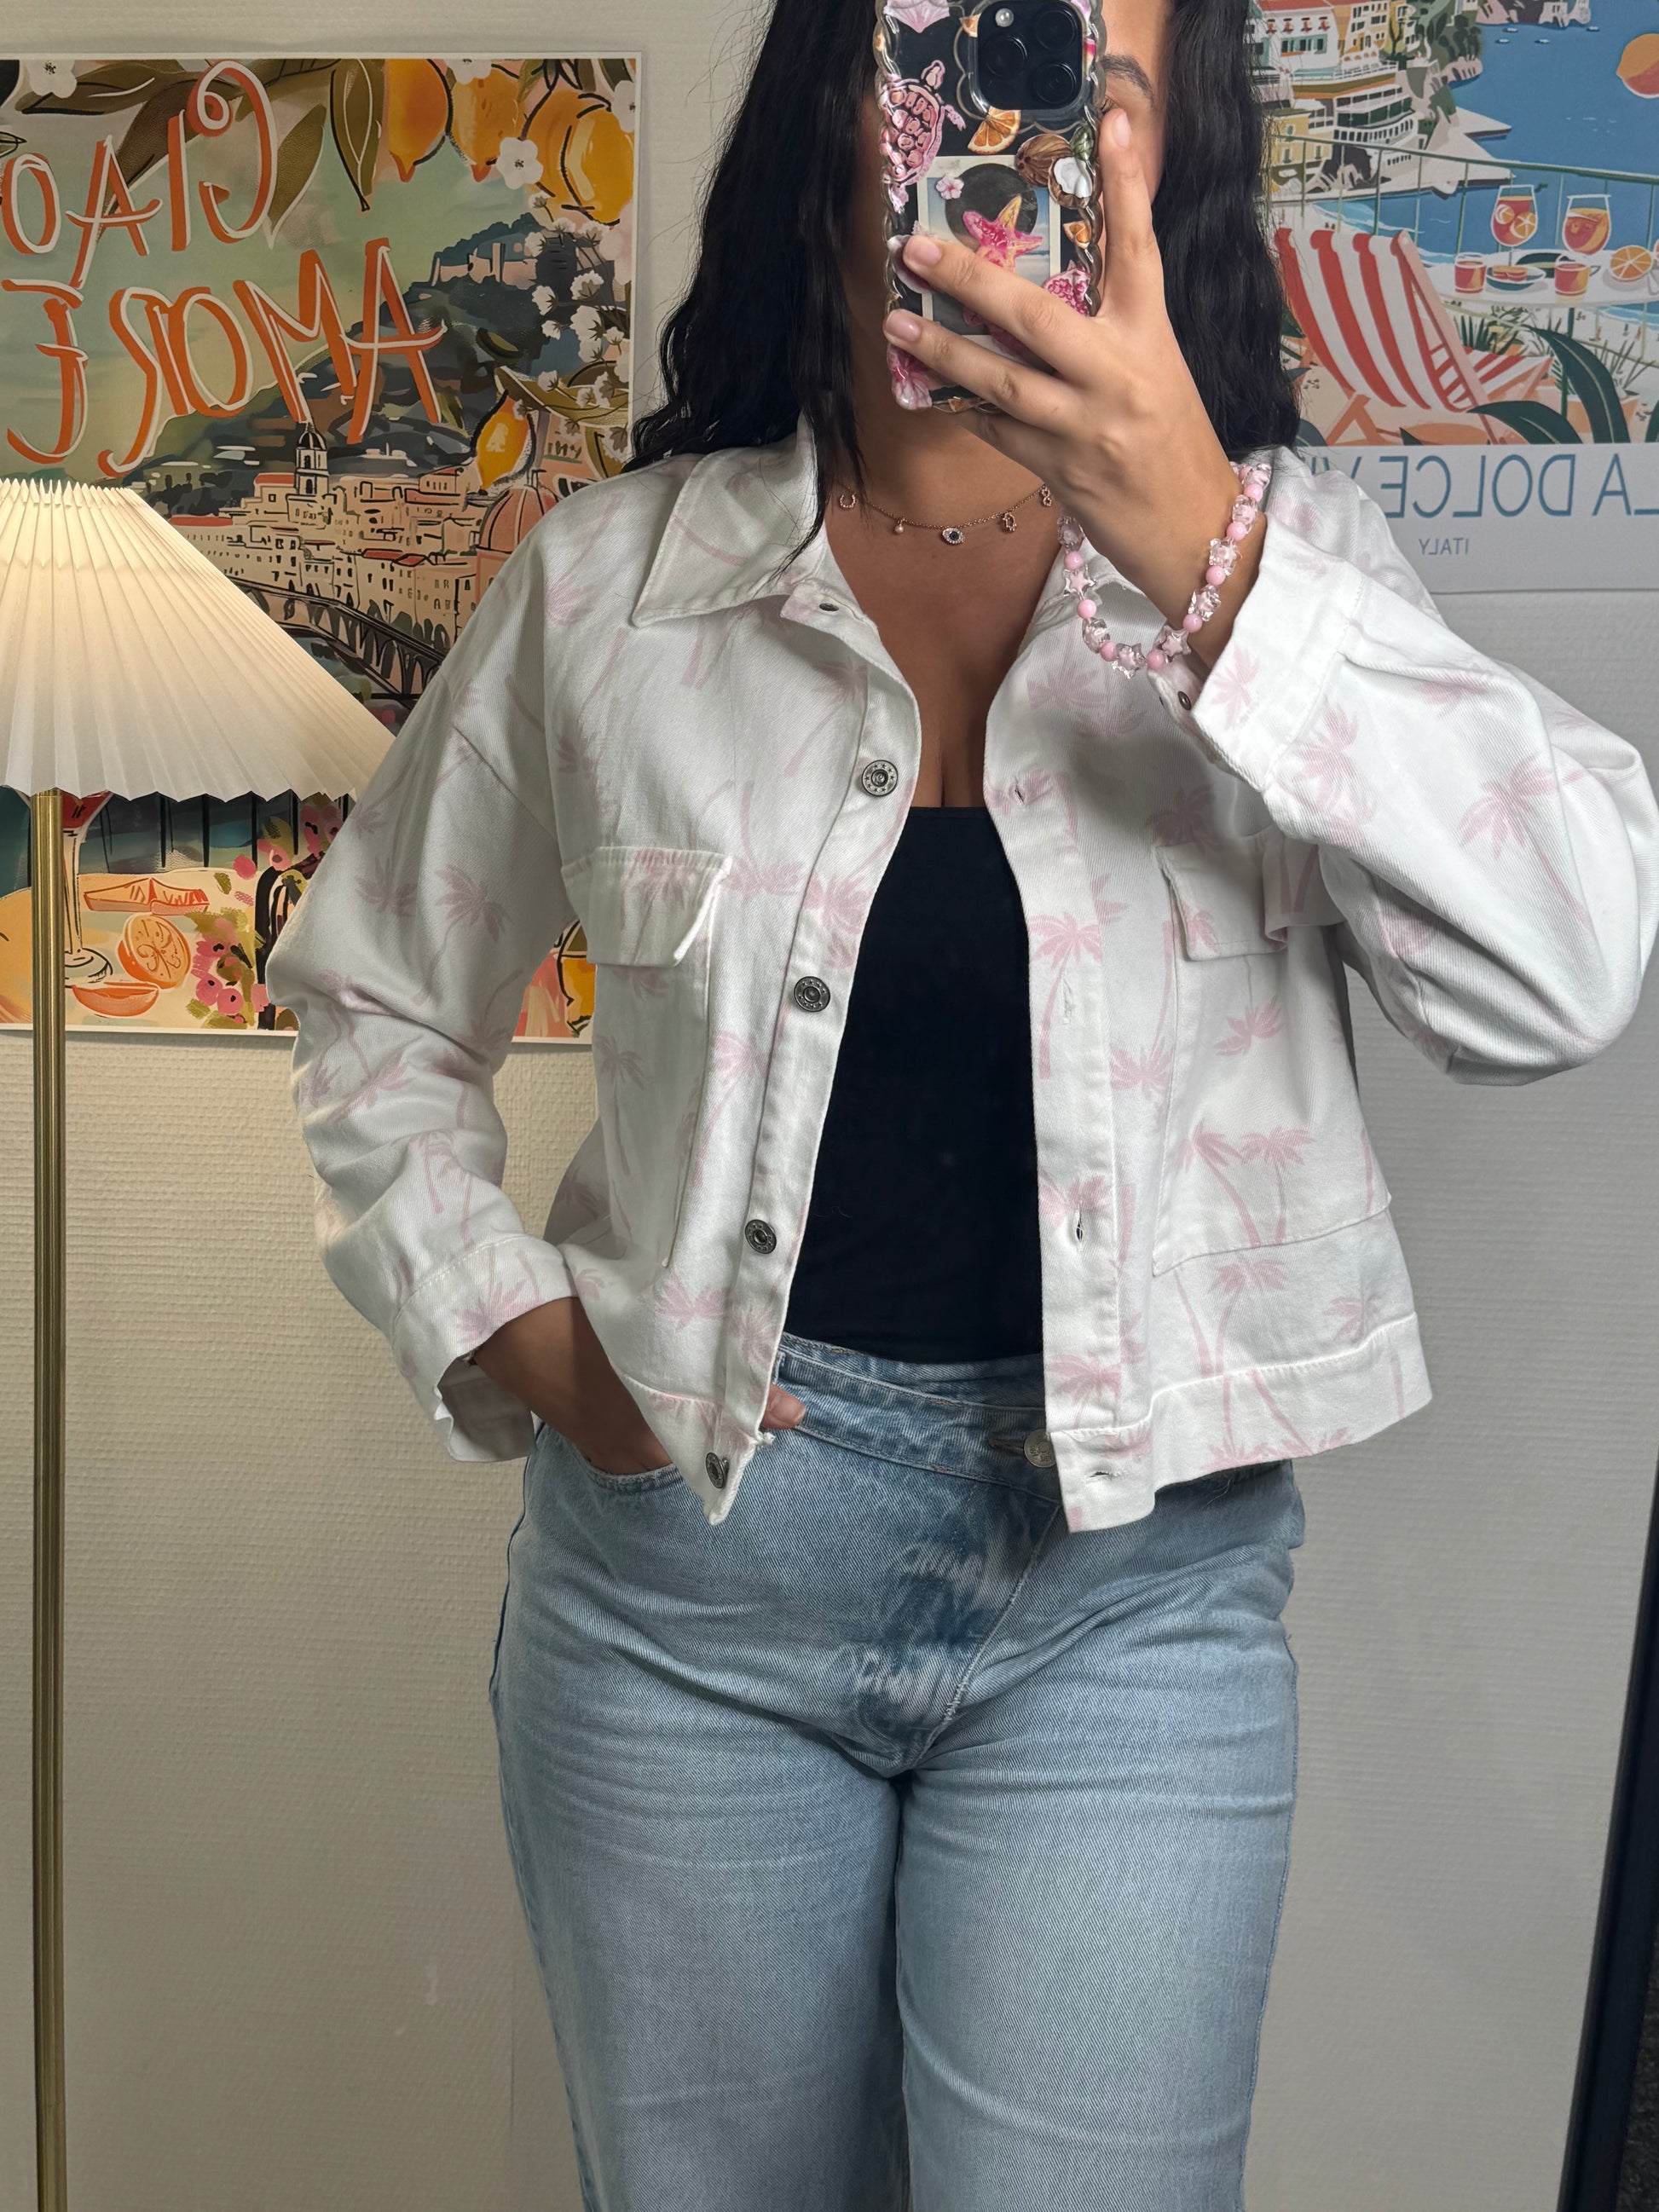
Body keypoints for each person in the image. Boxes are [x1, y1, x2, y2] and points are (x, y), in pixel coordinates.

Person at [264, 0, 1659, 2200]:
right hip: (687, 1600)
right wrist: (506, 1323)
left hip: (1132, 1605)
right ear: (834, 125)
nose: (1008, 145)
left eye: (1085, 87)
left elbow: (1569, 959)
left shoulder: (1290, 571)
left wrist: (1203, 554)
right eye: (954, 65)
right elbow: (369, 1000)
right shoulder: (612, 592)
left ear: (1169, 163)